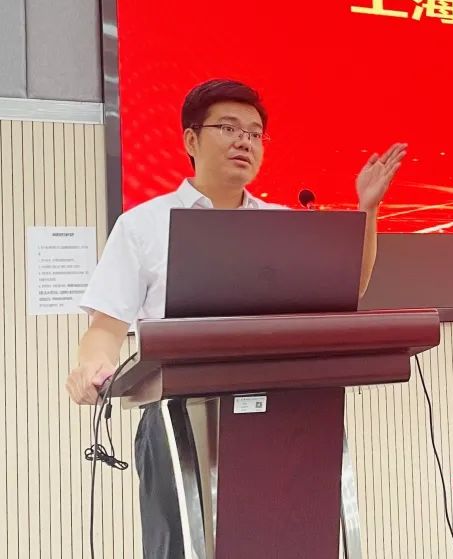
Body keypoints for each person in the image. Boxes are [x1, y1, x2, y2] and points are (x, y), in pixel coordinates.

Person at [64, 78, 405, 557]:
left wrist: (368, 210)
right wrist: (91, 367)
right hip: (178, 418)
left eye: (254, 133)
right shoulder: (143, 225)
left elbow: (348, 290)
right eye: (228, 128)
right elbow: (106, 326)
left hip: (284, 416)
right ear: (191, 140)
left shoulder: (282, 224)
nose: (244, 141)